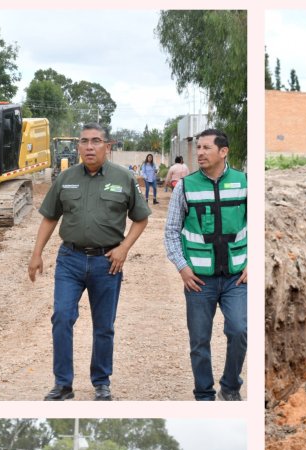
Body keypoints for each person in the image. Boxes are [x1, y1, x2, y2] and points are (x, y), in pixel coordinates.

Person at [29, 123, 150, 403]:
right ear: (78, 146)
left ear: (107, 146)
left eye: (96, 141)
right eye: (84, 141)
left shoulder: (123, 178)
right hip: (69, 260)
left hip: (107, 263)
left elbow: (141, 218)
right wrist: (36, 253)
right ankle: (63, 384)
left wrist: (124, 248)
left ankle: (101, 383)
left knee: (104, 325)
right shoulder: (66, 177)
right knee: (62, 317)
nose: (89, 147)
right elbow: (50, 218)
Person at [164, 128, 247, 401]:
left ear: (223, 152)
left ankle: (230, 387)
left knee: (239, 330)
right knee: (199, 341)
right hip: (199, 280)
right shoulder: (185, 187)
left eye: (206, 147)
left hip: (237, 277)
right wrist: (182, 267)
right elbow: (171, 231)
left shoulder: (244, 182)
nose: (199, 152)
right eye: (198, 147)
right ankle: (204, 395)